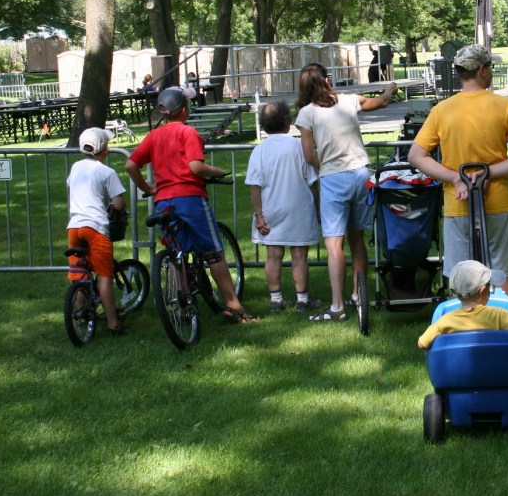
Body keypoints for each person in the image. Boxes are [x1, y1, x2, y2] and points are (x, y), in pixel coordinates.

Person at [407, 44, 508, 296]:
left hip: (458, 203)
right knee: (502, 271)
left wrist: (456, 177)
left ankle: (465, 328)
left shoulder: (442, 110)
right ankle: (505, 327)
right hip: (498, 202)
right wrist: (489, 173)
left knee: (461, 274)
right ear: (481, 70)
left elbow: (416, 155)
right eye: (490, 66)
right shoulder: (504, 106)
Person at [125, 86, 256, 324]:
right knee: (213, 252)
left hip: (164, 201)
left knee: (176, 255)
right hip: (190, 199)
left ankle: (179, 309)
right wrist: (217, 171)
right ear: (184, 110)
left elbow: (131, 166)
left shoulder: (153, 136)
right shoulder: (188, 133)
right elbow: (196, 167)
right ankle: (233, 304)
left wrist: (147, 188)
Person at [294, 62, 397, 322]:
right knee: (357, 240)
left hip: (334, 179)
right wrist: (389, 89)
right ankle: (357, 296)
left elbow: (308, 154)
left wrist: (326, 166)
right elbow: (381, 102)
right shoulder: (350, 100)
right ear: (327, 80)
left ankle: (337, 306)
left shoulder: (307, 113)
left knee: (334, 244)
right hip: (362, 174)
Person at [246, 99, 321, 313]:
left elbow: (254, 186)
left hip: (271, 210)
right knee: (300, 256)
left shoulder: (259, 151)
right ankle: (302, 300)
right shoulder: (299, 147)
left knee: (273, 255)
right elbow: (312, 183)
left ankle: (276, 300)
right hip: (299, 208)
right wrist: (317, 209)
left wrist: (259, 214)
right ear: (287, 122)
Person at [67, 127, 127, 334]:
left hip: (74, 228)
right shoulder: (106, 172)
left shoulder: (75, 167)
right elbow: (119, 202)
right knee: (104, 277)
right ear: (105, 149)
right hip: (95, 227)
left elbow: (69, 187)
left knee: (78, 275)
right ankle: (113, 323)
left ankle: (82, 314)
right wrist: (111, 204)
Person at [417, 259, 508, 349]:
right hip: (498, 371)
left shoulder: (444, 322)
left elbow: (422, 344)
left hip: (459, 376)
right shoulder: (498, 315)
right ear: (483, 291)